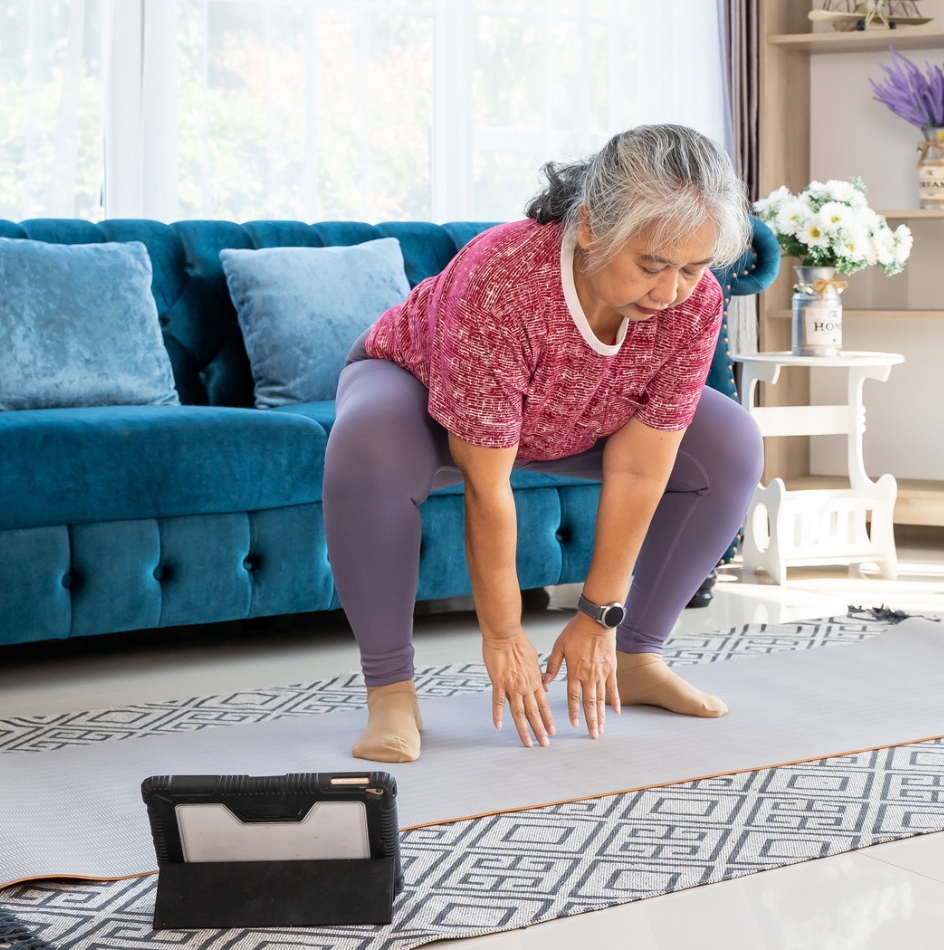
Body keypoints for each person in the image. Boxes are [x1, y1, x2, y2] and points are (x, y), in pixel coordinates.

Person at [323, 124, 764, 763]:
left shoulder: (693, 306)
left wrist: (597, 616)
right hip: (422, 392)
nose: (670, 292)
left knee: (730, 442)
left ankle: (638, 657)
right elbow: (487, 484)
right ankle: (391, 691)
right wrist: (503, 635)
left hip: (578, 410)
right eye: (650, 266)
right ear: (589, 227)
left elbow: (643, 469)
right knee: (366, 447)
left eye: (692, 269)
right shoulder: (505, 278)